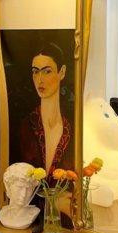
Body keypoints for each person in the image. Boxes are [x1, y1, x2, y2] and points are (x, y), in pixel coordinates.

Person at [19, 42, 73, 178]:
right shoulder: (26, 126)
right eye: (35, 72)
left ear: (62, 72)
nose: (40, 79)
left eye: (47, 71)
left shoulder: (72, 126)